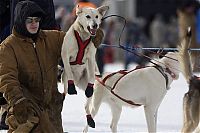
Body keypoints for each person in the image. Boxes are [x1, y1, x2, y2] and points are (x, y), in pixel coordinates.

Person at [0, 1, 66, 132]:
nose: (34, 23)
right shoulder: (8, 46)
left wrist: (90, 35)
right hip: (26, 112)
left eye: (36, 20)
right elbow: (7, 77)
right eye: (30, 20)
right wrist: (17, 101)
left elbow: (74, 40)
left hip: (51, 114)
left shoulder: (51, 38)